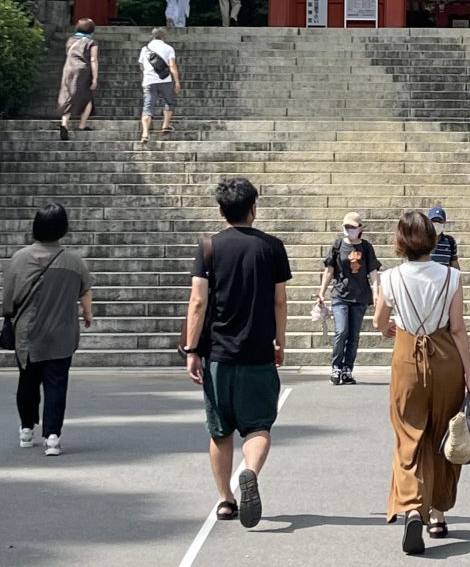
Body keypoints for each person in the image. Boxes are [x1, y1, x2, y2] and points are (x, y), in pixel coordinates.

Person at [183, 177, 291, 529]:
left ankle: (226, 500)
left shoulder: (209, 247)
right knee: (258, 427)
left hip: (218, 356)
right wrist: (280, 340)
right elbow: (279, 300)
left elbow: (198, 302)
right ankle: (251, 473)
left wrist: (191, 349)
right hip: (258, 353)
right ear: (253, 208)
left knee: (220, 431)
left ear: (221, 210)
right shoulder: (273, 247)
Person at [373, 211, 470, 555]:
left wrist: (393, 329)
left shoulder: (390, 278)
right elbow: (458, 329)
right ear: (433, 239)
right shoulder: (451, 276)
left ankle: (413, 507)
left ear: (401, 242)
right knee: (443, 434)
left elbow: (379, 321)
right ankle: (437, 514)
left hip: (407, 357)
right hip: (446, 357)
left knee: (408, 436)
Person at [3, 204, 93, 456]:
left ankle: (26, 430)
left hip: (28, 334)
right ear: (63, 228)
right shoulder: (74, 261)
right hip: (61, 334)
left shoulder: (20, 258)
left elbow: (8, 300)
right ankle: (52, 437)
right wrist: (87, 313)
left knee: (27, 382)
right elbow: (85, 291)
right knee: (56, 384)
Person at [316, 211, 381, 386]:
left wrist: (376, 293)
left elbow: (373, 273)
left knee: (353, 335)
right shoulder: (338, 245)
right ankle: (336, 367)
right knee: (341, 331)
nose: (349, 230)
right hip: (340, 295)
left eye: (352, 227)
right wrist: (322, 292)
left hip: (360, 296)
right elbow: (329, 270)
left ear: (360, 228)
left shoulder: (366, 248)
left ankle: (347, 369)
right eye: (346, 227)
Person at [138, 27, 182, 143]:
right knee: (169, 102)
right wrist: (177, 81)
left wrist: (144, 79)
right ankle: (165, 125)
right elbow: (172, 65)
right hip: (165, 80)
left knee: (148, 107)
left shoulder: (144, 49)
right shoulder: (168, 48)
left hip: (149, 81)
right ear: (164, 36)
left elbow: (141, 67)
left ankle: (145, 133)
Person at [56, 19, 98, 140]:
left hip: (68, 69)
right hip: (83, 70)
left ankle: (64, 123)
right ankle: (82, 124)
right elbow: (93, 60)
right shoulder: (91, 42)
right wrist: (95, 78)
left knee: (68, 95)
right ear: (91, 29)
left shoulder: (70, 40)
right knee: (87, 96)